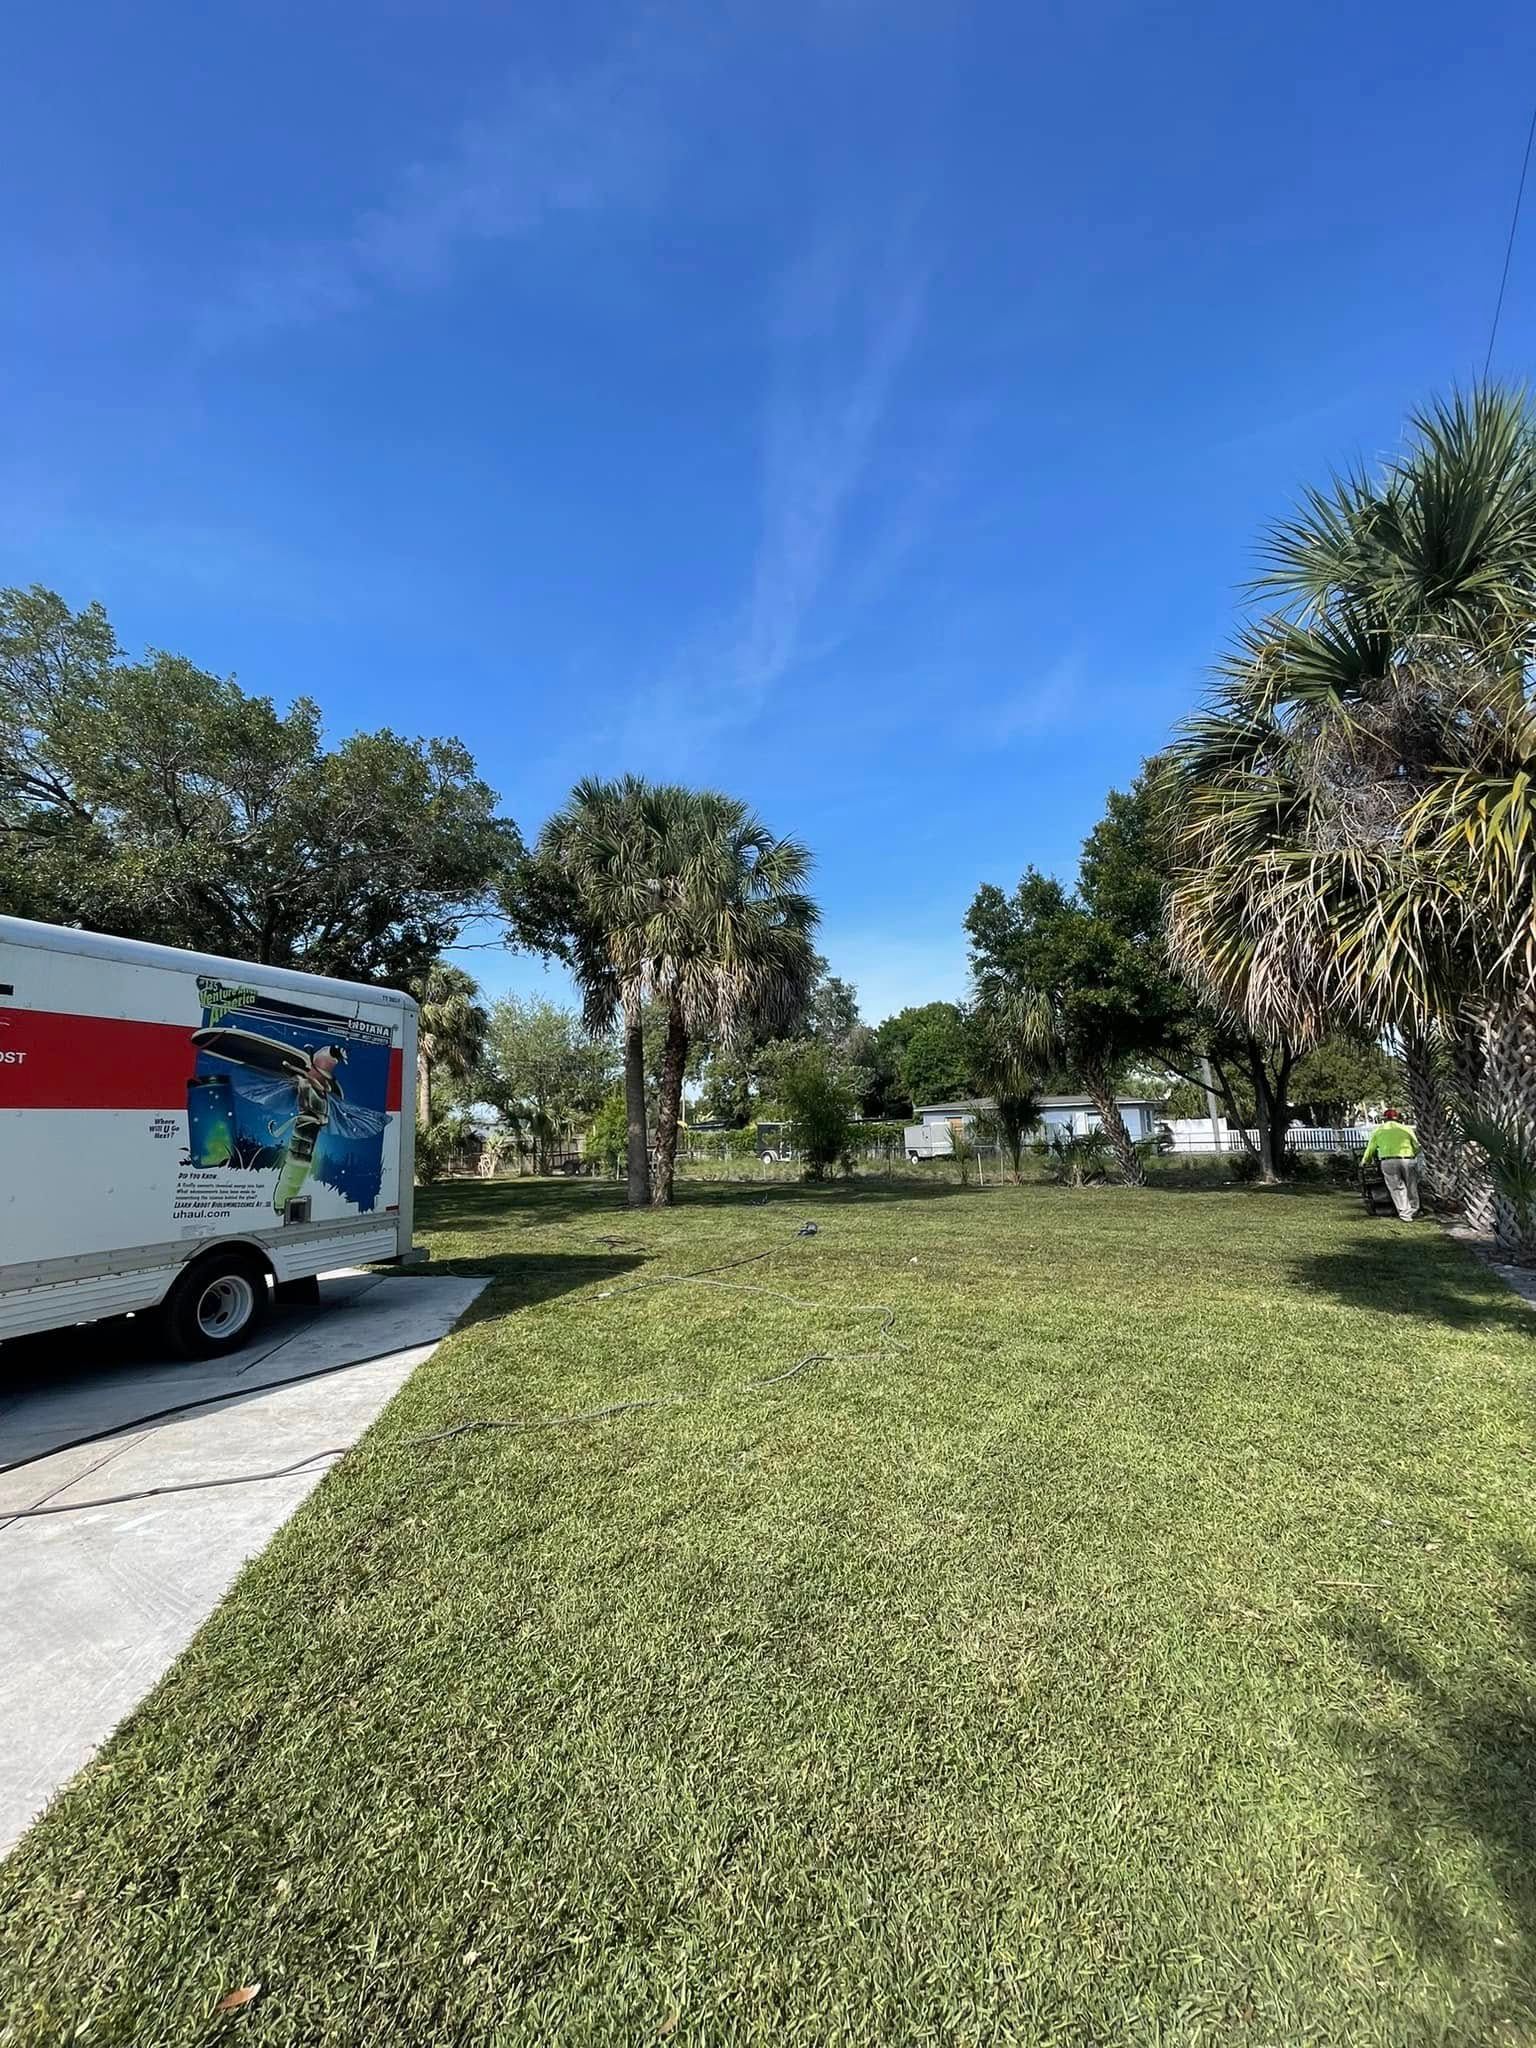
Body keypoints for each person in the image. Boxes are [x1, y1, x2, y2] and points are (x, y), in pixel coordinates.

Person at [1361, 1108, 1421, 1222]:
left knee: (1396, 1187)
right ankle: (1414, 1209)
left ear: (1384, 1119)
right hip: (1407, 1159)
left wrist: (1365, 1161)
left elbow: (1371, 1149)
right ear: (1398, 1118)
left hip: (1388, 1161)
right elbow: (1416, 1145)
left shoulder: (1378, 1130)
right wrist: (1413, 1154)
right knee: (1411, 1185)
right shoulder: (1406, 1129)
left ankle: (1404, 1213)